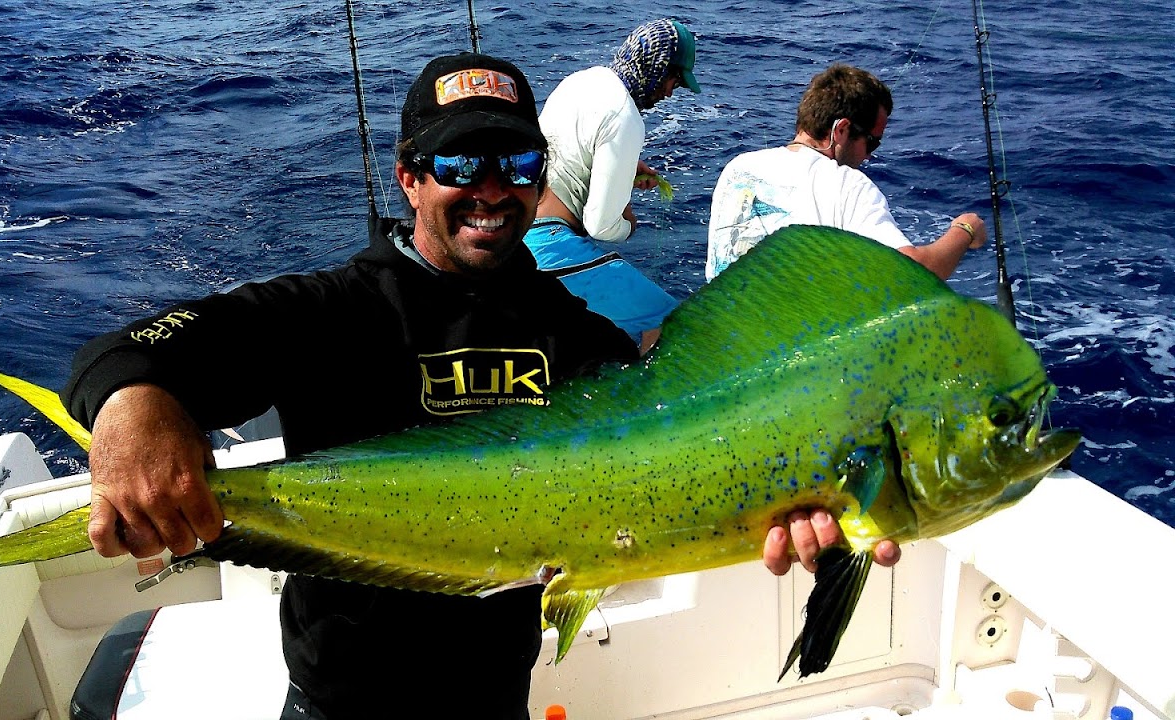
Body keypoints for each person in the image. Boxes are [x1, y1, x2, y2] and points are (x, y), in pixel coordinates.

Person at [60, 52, 894, 719]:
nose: (492, 187)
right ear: (410, 178)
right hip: (341, 703)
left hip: (497, 698)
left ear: (539, 175)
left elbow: (676, 432)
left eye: (518, 160)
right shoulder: (333, 311)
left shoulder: (575, 333)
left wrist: (804, 492)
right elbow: (120, 356)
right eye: (461, 160)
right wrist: (136, 414)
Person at [706, 63, 988, 282]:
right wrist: (964, 230)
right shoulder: (848, 185)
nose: (869, 155)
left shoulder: (738, 167)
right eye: (872, 141)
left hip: (720, 345)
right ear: (841, 130)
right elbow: (912, 272)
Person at [526, 18, 700, 352]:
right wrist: (628, 220)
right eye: (673, 80)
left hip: (522, 231)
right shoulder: (625, 117)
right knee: (672, 324)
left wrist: (622, 171)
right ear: (658, 67)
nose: (668, 92)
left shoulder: (582, 81)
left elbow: (571, 150)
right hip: (553, 246)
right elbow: (602, 227)